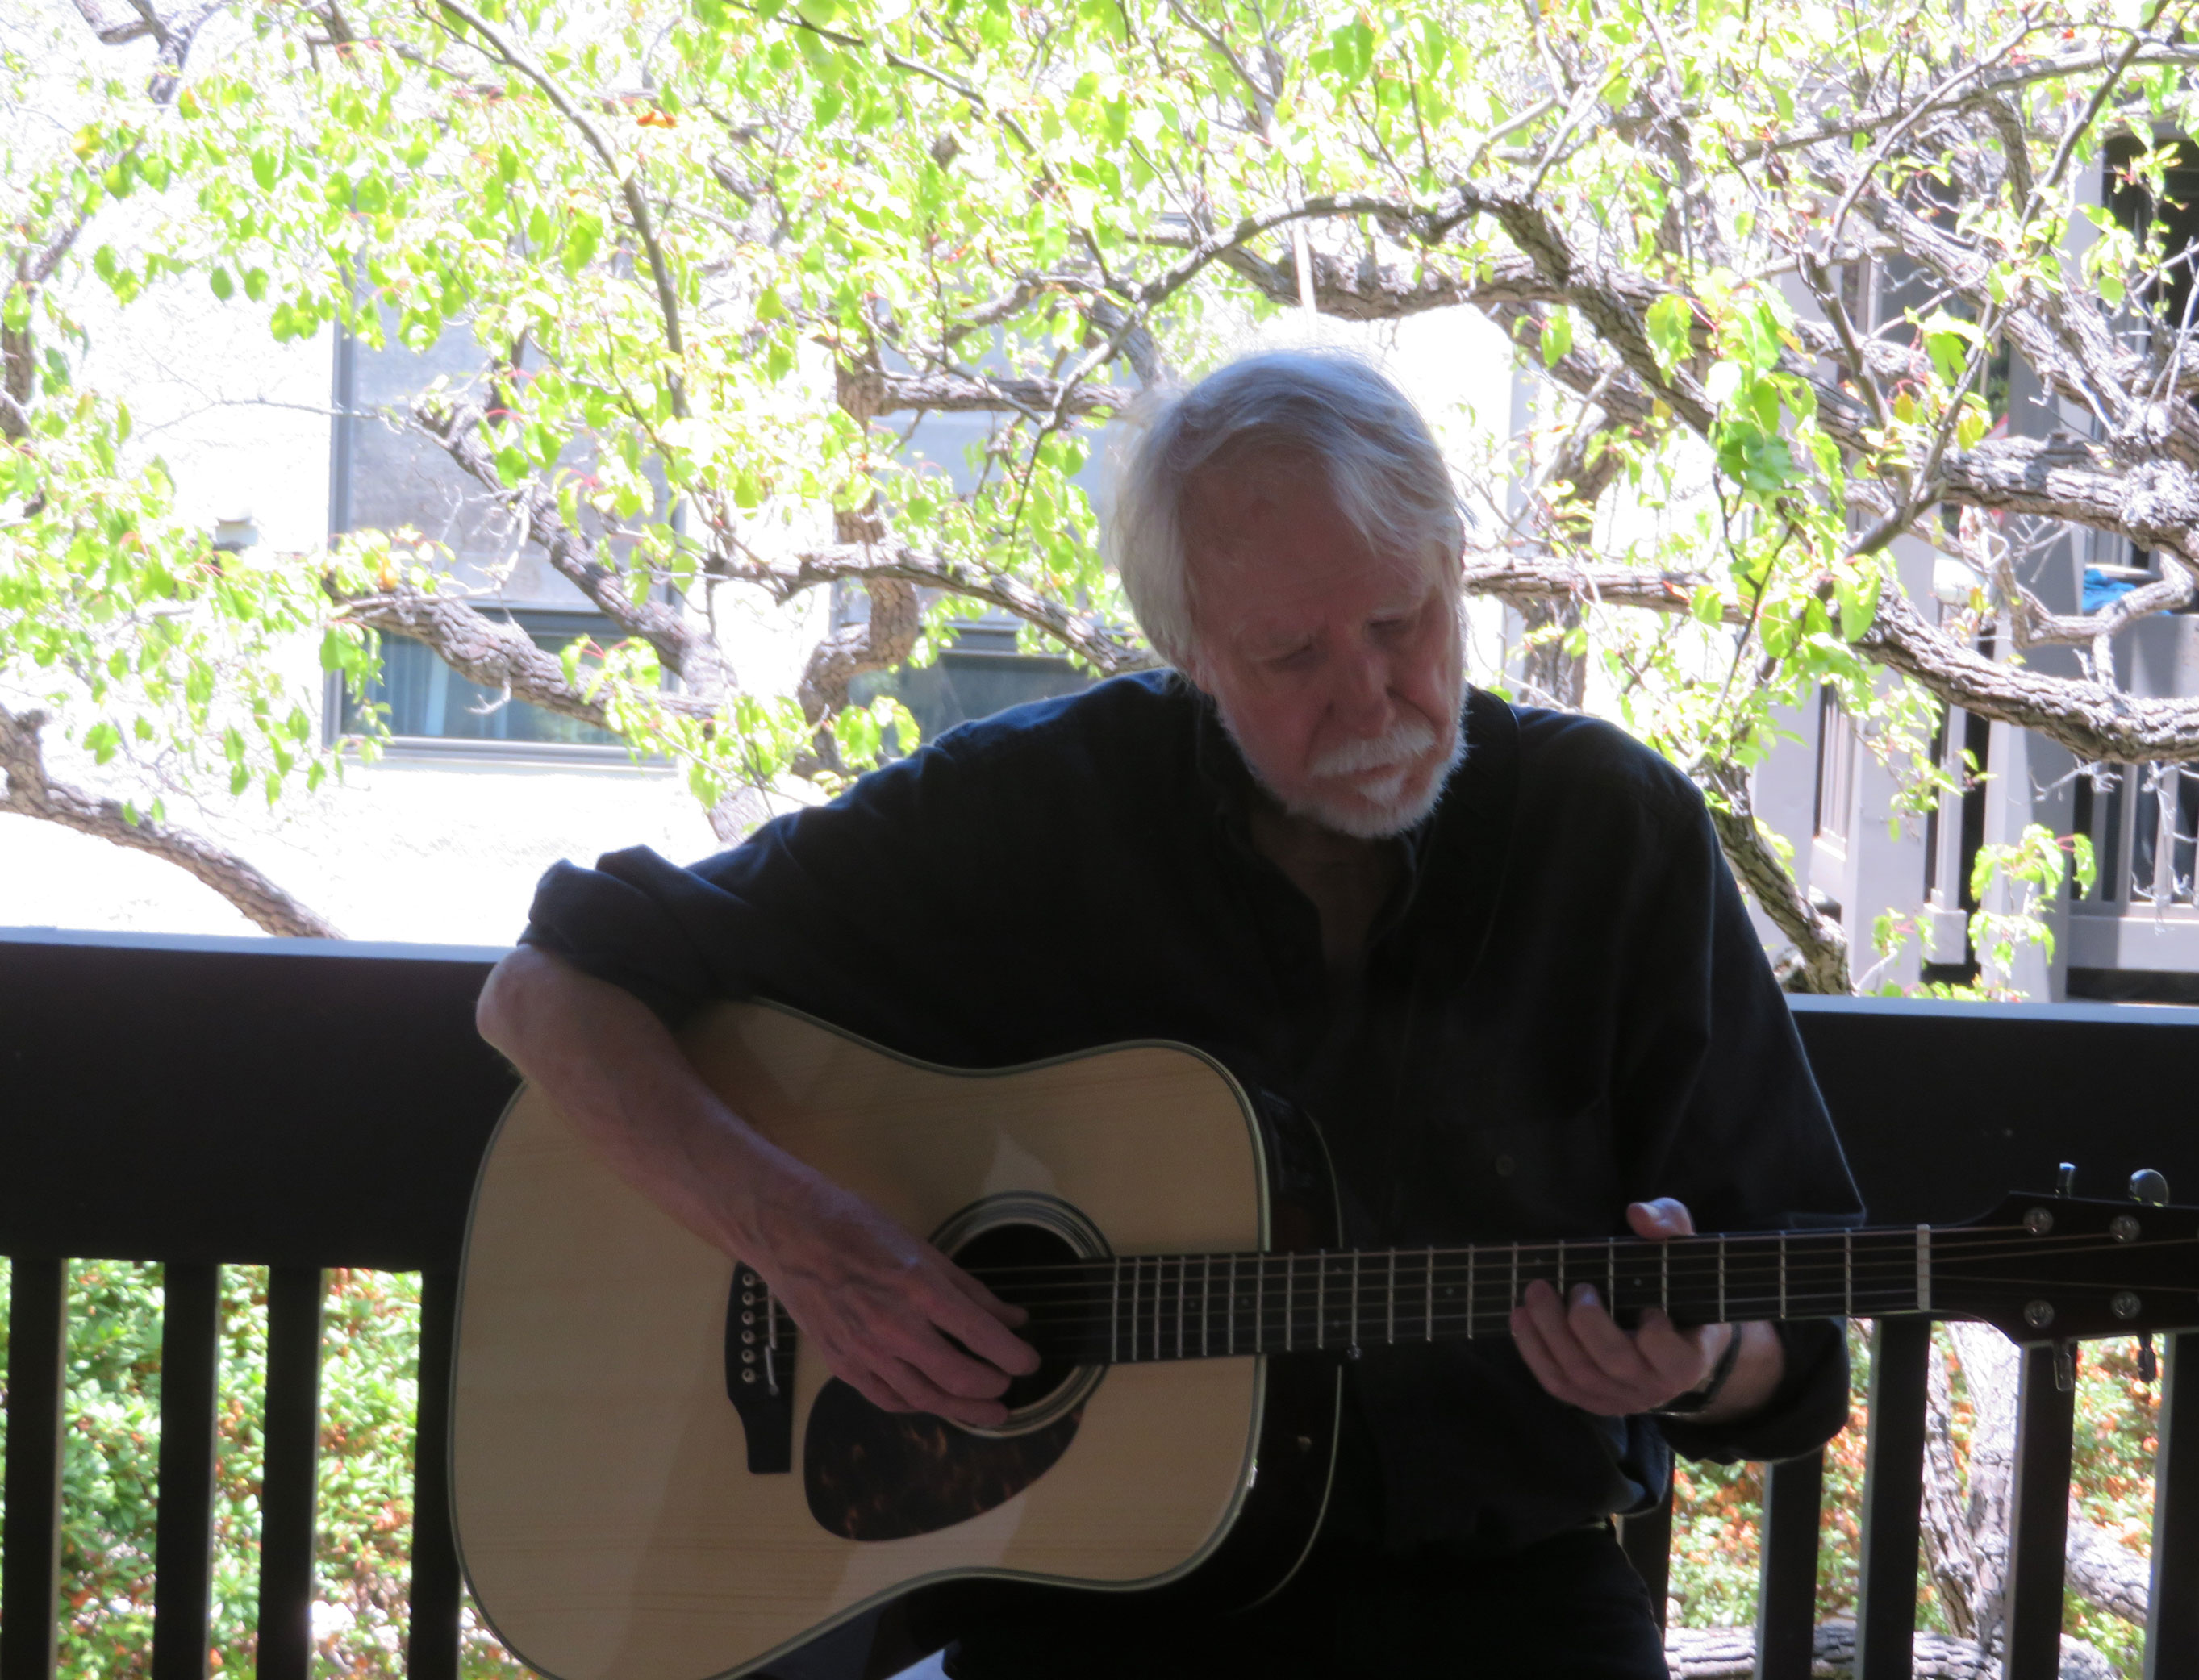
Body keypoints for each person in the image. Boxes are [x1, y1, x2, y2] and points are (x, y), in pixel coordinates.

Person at [476, 351, 1863, 1680]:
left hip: (1502, 1604)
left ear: (1455, 571)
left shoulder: (1607, 832)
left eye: (1402, 624)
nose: (1370, 694)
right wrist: (803, 1240)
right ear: (1186, 649)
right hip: (1096, 1623)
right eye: (1290, 655)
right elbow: (547, 992)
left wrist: (1700, 1360)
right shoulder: (1029, 816)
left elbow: (1794, 1330)